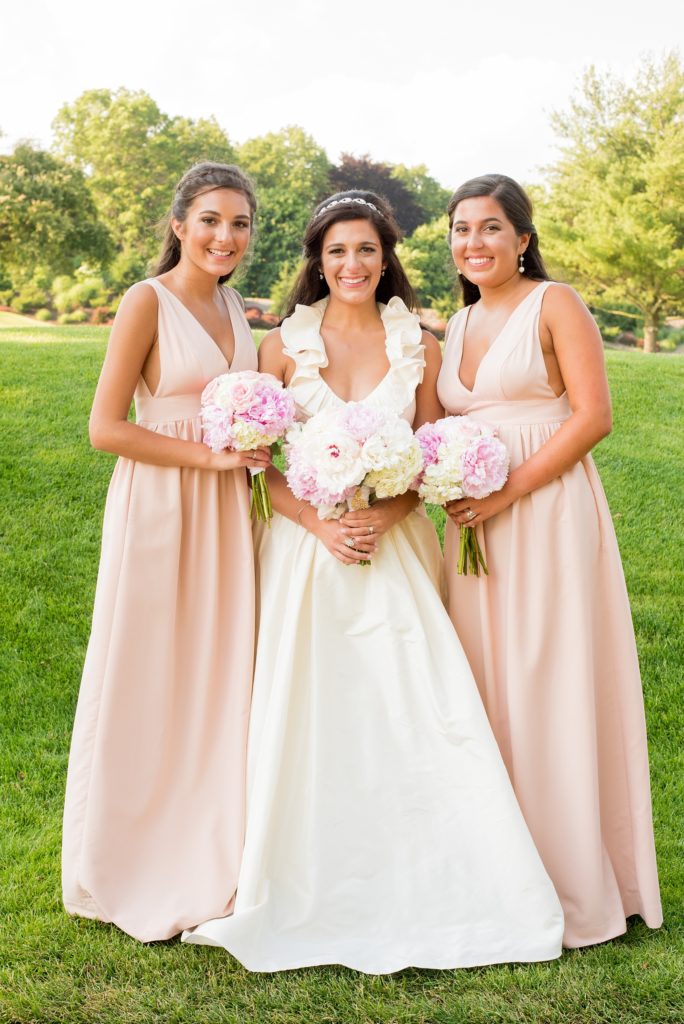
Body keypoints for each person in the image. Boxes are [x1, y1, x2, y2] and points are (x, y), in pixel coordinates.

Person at [182, 189, 564, 973]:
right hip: (305, 554)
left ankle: (439, 876)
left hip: (393, 550)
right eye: (336, 252)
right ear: (316, 264)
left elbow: (428, 451)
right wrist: (321, 524)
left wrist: (384, 519)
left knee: (415, 707)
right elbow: (259, 470)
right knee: (309, 711)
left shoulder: (415, 341)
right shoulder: (283, 347)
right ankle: (298, 878)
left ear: (385, 258)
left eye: (365, 250)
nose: (352, 264)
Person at [437, 173, 662, 947]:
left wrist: (506, 493)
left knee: (548, 679)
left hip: (544, 509)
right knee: (483, 683)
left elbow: (593, 416)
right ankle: (501, 867)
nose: (475, 242)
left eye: (491, 228)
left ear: (523, 238)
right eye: (462, 230)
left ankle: (576, 877)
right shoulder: (455, 325)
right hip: (468, 521)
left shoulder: (555, 302)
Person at [62, 162, 270, 942]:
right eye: (211, 220)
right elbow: (106, 427)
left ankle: (215, 839)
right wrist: (212, 459)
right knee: (151, 668)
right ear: (179, 224)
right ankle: (134, 850)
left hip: (230, 513)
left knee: (220, 670)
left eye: (241, 223)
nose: (226, 236)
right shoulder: (144, 303)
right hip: (161, 504)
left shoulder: (236, 308)